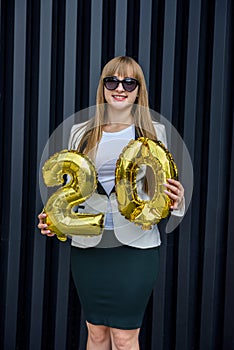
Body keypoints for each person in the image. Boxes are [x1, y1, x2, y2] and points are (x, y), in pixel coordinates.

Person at [38, 56, 184, 350]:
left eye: (129, 82)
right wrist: (53, 220)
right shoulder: (81, 132)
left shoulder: (155, 133)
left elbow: (162, 191)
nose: (120, 88)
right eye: (112, 81)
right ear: (103, 87)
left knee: (124, 337)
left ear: (139, 89)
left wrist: (177, 201)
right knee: (96, 334)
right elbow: (72, 190)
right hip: (89, 248)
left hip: (136, 248)